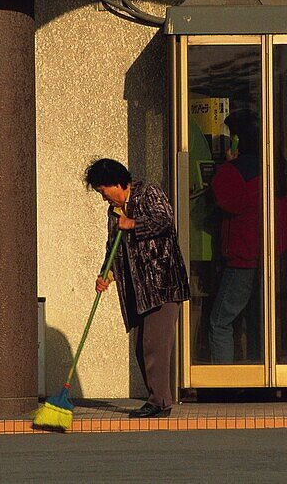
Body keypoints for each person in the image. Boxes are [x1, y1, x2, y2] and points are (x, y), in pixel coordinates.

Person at [87, 158, 189, 418]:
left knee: (154, 345)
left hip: (162, 286)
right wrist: (106, 275)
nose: (104, 198)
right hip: (138, 292)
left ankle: (160, 402)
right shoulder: (114, 213)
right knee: (142, 347)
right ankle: (157, 399)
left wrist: (132, 224)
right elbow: (114, 249)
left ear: (118, 183)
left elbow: (164, 221)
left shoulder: (148, 194)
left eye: (103, 191)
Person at [207, 110, 287, 363]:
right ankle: (259, 375)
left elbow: (227, 201)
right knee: (259, 322)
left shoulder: (239, 169)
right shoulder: (280, 167)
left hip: (243, 258)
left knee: (220, 322)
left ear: (238, 139)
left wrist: (226, 164)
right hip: (273, 256)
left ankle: (223, 383)